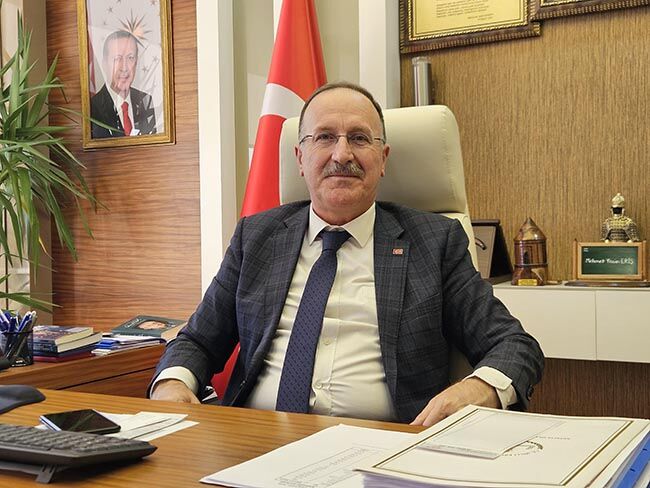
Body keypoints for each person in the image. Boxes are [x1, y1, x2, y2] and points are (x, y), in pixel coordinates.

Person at [151, 82, 544, 426]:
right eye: (324, 137)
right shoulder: (257, 237)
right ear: (300, 158)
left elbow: (514, 345)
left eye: (358, 138)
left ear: (383, 159)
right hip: (257, 439)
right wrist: (172, 383)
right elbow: (197, 341)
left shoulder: (434, 242)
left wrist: (476, 390)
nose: (342, 154)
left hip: (384, 447)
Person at [90, 30, 156, 139]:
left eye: (130, 58)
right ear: (104, 64)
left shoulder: (146, 101)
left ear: (136, 62)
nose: (124, 67)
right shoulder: (92, 108)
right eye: (117, 58)